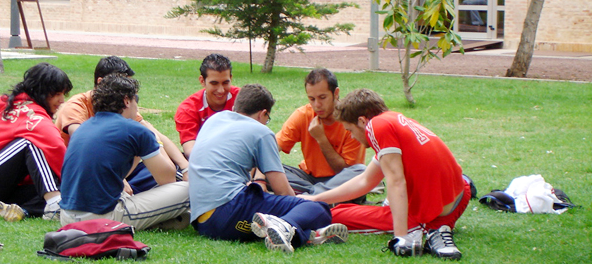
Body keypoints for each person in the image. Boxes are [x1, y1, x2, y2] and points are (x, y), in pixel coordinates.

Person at [299, 88, 471, 260]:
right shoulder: (393, 119)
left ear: (361, 121)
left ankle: (423, 228)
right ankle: (436, 229)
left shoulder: (376, 126)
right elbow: (365, 181)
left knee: (337, 215)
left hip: (430, 208)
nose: (351, 137)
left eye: (350, 130)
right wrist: (316, 198)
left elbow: (396, 182)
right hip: (459, 194)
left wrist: (401, 237)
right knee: (346, 209)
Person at [188, 84, 348, 254]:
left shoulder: (215, 119)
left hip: (203, 222)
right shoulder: (261, 131)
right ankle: (285, 225)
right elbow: (282, 191)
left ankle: (306, 234)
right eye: (267, 118)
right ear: (263, 113)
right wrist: (297, 203)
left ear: (235, 107)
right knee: (318, 209)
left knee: (266, 203)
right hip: (230, 212)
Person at [59, 74, 190, 230]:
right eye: (136, 100)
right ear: (127, 100)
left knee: (177, 216)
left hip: (66, 217)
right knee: (189, 189)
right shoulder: (135, 130)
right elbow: (167, 179)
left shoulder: (84, 127)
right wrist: (156, 140)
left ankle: (165, 221)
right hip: (102, 217)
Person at [54, 56, 189, 193]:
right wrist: (118, 179)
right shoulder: (77, 107)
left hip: (115, 172)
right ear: (101, 82)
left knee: (165, 165)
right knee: (180, 189)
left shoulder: (121, 110)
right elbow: (88, 147)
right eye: (123, 87)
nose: (128, 93)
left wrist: (185, 167)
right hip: (88, 178)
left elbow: (154, 133)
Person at [0, 62, 73, 222]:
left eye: (63, 94)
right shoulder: (31, 116)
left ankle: (20, 210)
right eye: (56, 94)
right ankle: (55, 203)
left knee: (66, 191)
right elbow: (57, 148)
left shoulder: (28, 112)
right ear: (41, 92)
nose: (61, 100)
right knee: (30, 143)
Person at [272, 68, 366, 195]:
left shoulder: (351, 120)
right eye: (312, 99)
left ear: (336, 93)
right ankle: (320, 197)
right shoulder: (303, 115)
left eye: (322, 98)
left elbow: (346, 171)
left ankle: (308, 197)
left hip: (339, 181)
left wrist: (321, 139)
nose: (317, 105)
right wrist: (260, 178)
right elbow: (271, 150)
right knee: (272, 170)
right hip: (308, 179)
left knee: (359, 172)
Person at [174, 53, 240, 158]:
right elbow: (191, 151)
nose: (221, 90)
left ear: (231, 78)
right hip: (206, 162)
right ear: (202, 81)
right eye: (214, 83)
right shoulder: (187, 109)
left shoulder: (242, 99)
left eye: (225, 83)